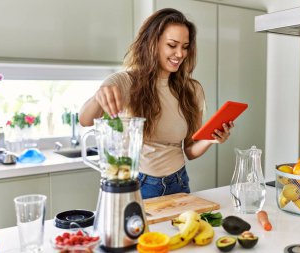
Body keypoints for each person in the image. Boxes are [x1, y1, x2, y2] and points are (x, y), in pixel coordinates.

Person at [79, 8, 234, 199]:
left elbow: (190, 151)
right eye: (172, 45)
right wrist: (98, 96)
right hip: (138, 184)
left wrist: (211, 138)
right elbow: (85, 119)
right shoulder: (126, 81)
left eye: (185, 47)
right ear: (153, 43)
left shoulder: (192, 90)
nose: (180, 53)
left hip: (179, 182)